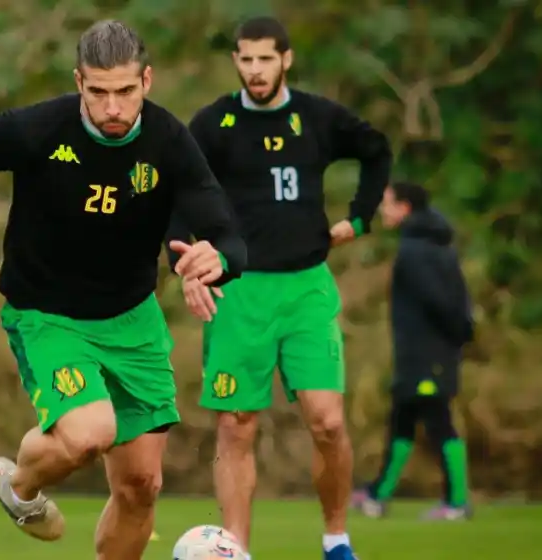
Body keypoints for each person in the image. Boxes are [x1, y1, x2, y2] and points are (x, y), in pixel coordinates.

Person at [0, 20, 247, 560]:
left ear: (146, 79)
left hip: (133, 320)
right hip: (49, 316)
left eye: (125, 91)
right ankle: (20, 486)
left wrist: (218, 259)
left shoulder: (168, 141)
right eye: (98, 92)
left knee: (141, 485)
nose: (113, 107)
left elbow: (226, 230)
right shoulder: (40, 130)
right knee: (90, 431)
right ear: (79, 82)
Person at [164, 16, 391, 560]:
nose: (255, 69)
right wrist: (185, 261)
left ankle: (336, 540)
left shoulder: (316, 117)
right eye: (245, 59)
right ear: (236, 62)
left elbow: (377, 149)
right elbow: (176, 194)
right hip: (239, 291)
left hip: (307, 288)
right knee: (237, 426)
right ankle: (235, 551)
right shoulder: (213, 124)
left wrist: (359, 219)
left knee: (328, 421)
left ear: (285, 59)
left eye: (266, 58)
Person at [351, 181, 474, 520]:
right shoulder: (431, 245)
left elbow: (443, 304)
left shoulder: (416, 251)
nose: (382, 209)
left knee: (438, 422)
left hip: (428, 355)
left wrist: (450, 342)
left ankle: (456, 502)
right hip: (420, 354)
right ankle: (377, 495)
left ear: (405, 208)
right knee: (402, 420)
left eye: (388, 203)